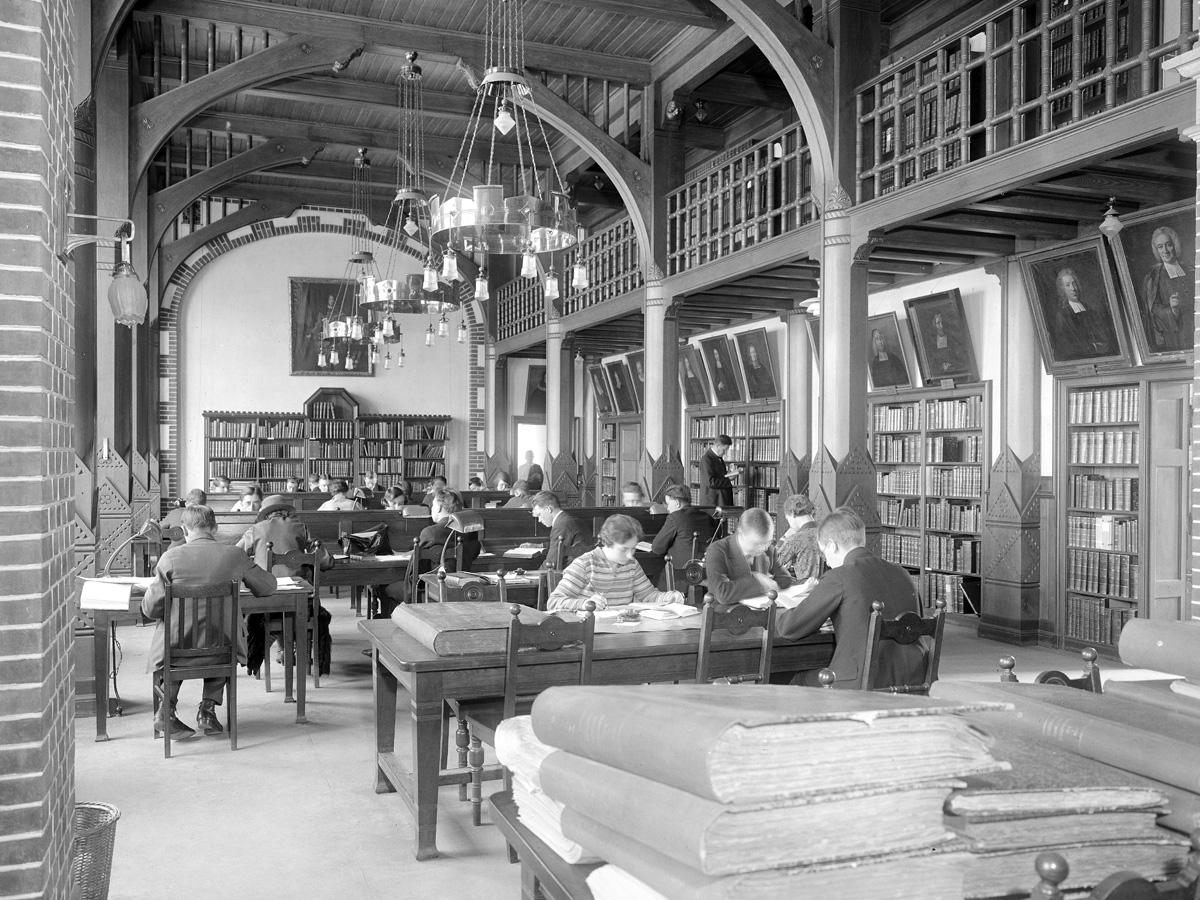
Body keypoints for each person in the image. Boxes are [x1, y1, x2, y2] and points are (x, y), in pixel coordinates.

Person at [142, 505, 276, 738]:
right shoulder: (235, 555)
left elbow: (151, 609)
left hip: (176, 651)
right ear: (215, 527)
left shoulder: (170, 558)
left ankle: (166, 710)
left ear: (184, 529)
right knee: (218, 634)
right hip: (222, 649)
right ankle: (207, 709)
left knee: (177, 638)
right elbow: (267, 588)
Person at [775, 507, 926, 689]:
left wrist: (779, 611)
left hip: (863, 682)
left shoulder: (839, 577)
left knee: (794, 679)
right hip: (915, 678)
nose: (827, 562)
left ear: (832, 545)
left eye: (824, 554)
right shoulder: (903, 573)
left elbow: (790, 627)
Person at [547, 515, 685, 612]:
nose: (630, 555)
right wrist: (585, 604)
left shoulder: (632, 564)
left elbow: (648, 596)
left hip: (621, 632)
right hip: (588, 634)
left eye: (633, 548)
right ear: (608, 542)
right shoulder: (584, 564)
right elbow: (553, 603)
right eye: (624, 549)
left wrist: (671, 597)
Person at [382, 490, 480, 610]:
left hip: (432, 589)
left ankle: (395, 621)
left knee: (383, 588)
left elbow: (414, 571)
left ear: (438, 507)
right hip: (462, 588)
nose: (432, 509)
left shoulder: (431, 532)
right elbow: (475, 553)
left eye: (433, 505)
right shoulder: (470, 530)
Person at [704, 507, 797, 604]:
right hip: (724, 614)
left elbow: (785, 580)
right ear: (741, 533)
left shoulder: (769, 549)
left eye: (768, 542)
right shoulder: (718, 550)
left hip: (761, 612)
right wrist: (758, 580)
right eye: (758, 544)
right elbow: (722, 594)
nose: (764, 548)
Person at [650, 484, 716, 589]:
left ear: (677, 503)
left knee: (655, 579)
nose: (667, 508)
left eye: (668, 504)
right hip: (706, 572)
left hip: (682, 575)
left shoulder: (675, 517)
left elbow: (657, 548)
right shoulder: (708, 518)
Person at [1141, 226, 1194, 352]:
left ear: (1175, 245)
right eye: (1160, 247)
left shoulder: (1191, 270)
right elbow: (1153, 310)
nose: (1165, 250)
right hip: (1177, 337)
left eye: (1168, 245)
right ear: (1156, 250)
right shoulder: (1153, 277)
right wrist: (1172, 309)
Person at [1050, 267, 1119, 361]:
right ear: (1062, 290)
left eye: (1074, 284)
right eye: (1067, 285)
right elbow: (1066, 348)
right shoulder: (1063, 316)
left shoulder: (1089, 309)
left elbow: (1104, 336)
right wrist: (1094, 347)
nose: (1073, 288)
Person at [530, 490, 592, 570]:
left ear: (548, 509)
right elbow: (562, 546)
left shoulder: (561, 526)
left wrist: (534, 576)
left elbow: (551, 563)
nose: (539, 520)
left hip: (569, 575)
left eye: (539, 515)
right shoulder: (569, 519)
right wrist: (540, 546)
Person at [775, 493, 821, 581]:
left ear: (792, 514)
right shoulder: (827, 531)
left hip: (807, 590)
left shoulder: (795, 539)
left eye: (787, 519)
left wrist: (785, 537)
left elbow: (772, 562)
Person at [699, 435, 738, 507]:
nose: (725, 452)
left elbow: (720, 477)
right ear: (718, 446)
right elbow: (711, 482)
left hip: (720, 501)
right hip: (713, 503)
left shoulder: (718, 458)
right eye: (724, 450)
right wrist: (728, 479)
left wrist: (729, 474)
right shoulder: (707, 459)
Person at [925, 311, 967, 378]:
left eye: (943, 322)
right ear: (934, 325)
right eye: (938, 323)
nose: (941, 326)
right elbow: (930, 364)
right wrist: (940, 368)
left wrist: (951, 365)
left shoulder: (953, 339)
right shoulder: (931, 343)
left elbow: (962, 359)